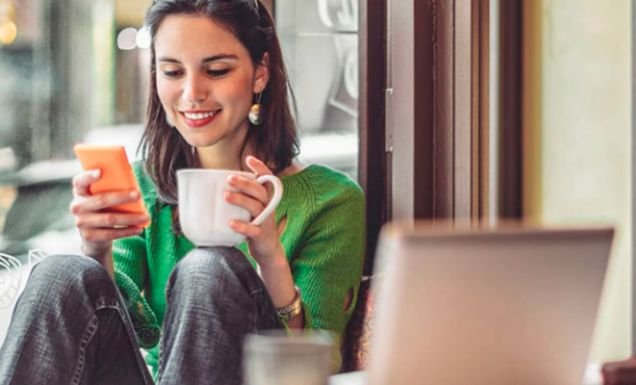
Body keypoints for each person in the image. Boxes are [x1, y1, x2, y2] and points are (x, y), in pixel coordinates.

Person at [0, 0, 365, 384]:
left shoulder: (330, 200)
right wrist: (97, 249)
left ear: (260, 73)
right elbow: (137, 329)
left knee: (208, 268)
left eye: (217, 70)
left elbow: (318, 364)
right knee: (61, 271)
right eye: (172, 71)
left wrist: (270, 257)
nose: (192, 93)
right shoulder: (144, 184)